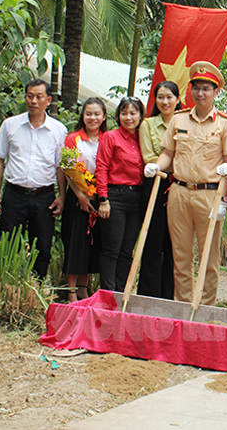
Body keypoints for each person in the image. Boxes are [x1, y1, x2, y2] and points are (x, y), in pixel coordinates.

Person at [146, 62, 227, 305]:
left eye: (206, 88)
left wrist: (224, 201)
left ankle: (205, 308)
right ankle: (183, 306)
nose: (200, 93)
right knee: (181, 255)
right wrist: (157, 165)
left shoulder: (225, 124)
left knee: (209, 256)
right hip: (179, 192)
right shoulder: (178, 120)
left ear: (215, 92)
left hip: (210, 196)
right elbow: (168, 153)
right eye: (196, 88)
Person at [0, 79, 68, 280]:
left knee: (42, 247)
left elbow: (60, 166)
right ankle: (7, 286)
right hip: (14, 194)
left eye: (39, 97)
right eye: (30, 96)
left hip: (44, 197)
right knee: (8, 244)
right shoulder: (10, 125)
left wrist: (61, 196)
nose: (33, 101)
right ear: (25, 97)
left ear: (48, 100)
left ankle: (36, 287)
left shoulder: (59, 130)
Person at [95, 96, 146, 291]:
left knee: (127, 250)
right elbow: (101, 167)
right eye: (124, 113)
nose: (128, 117)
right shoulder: (110, 137)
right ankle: (107, 293)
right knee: (111, 249)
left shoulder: (142, 138)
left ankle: (122, 293)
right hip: (115, 197)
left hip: (136, 199)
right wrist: (103, 199)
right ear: (118, 116)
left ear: (140, 116)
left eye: (133, 113)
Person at [138, 80, 181, 300]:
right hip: (156, 182)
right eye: (161, 97)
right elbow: (148, 157)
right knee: (153, 240)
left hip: (180, 186)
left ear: (178, 99)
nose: (165, 101)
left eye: (169, 97)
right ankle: (148, 295)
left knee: (174, 243)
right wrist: (175, 163)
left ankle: (170, 296)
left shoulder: (185, 122)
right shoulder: (147, 124)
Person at [61, 98, 107, 301]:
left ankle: (83, 287)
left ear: (104, 117)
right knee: (75, 242)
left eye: (97, 114)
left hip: (99, 198)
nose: (92, 118)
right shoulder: (73, 139)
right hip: (76, 197)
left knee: (91, 243)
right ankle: (70, 291)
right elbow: (67, 170)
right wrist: (79, 195)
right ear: (83, 116)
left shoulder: (108, 139)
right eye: (88, 113)